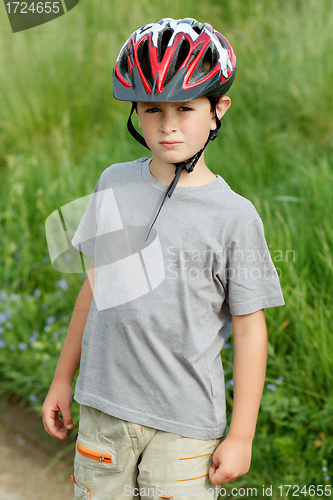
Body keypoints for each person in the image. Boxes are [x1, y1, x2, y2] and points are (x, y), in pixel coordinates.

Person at [42, 17, 284, 499]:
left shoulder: (235, 217)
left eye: (185, 108)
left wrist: (241, 436)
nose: (168, 124)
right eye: (152, 108)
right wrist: (61, 379)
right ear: (136, 112)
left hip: (185, 428)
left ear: (218, 110)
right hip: (103, 414)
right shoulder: (114, 182)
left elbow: (250, 327)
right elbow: (94, 288)